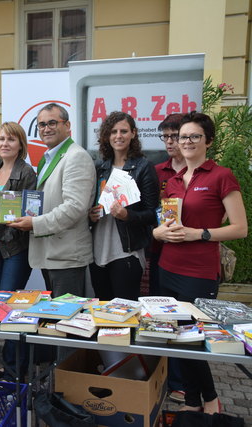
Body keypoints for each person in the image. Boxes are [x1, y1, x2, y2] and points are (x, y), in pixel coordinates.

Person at [153, 111, 247, 415]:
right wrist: (158, 232)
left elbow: (240, 228)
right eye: (183, 137)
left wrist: (200, 234)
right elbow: (162, 223)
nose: (187, 141)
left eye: (194, 136)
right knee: (176, 340)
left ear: (208, 141)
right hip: (167, 267)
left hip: (199, 273)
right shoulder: (174, 180)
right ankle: (192, 403)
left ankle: (210, 400)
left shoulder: (222, 175)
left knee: (193, 341)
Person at [10, 103, 95, 298]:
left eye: (52, 123)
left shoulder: (76, 157)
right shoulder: (49, 158)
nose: (46, 129)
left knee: (67, 319)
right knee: (55, 317)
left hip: (66, 256)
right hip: (52, 253)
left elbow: (74, 208)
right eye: (41, 124)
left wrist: (35, 223)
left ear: (67, 125)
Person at [0, 122, 37, 381]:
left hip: (15, 247)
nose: (5, 143)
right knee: (3, 305)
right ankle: (11, 365)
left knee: (12, 307)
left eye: (11, 140)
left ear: (20, 145)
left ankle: (16, 369)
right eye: (1, 139)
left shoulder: (26, 172)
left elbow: (29, 215)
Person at [88, 112, 158, 301]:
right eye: (113, 131)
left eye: (124, 131)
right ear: (107, 136)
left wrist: (127, 215)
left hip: (126, 252)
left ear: (133, 133)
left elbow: (153, 214)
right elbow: (91, 204)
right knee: (102, 308)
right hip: (98, 250)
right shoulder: (101, 167)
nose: (118, 136)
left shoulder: (144, 167)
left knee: (124, 312)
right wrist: (91, 215)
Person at [151, 113, 186, 404]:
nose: (171, 142)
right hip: (159, 255)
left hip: (190, 258)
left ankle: (183, 381)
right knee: (162, 319)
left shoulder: (200, 172)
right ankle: (164, 376)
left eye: (175, 136)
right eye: (166, 137)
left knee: (186, 322)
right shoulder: (158, 170)